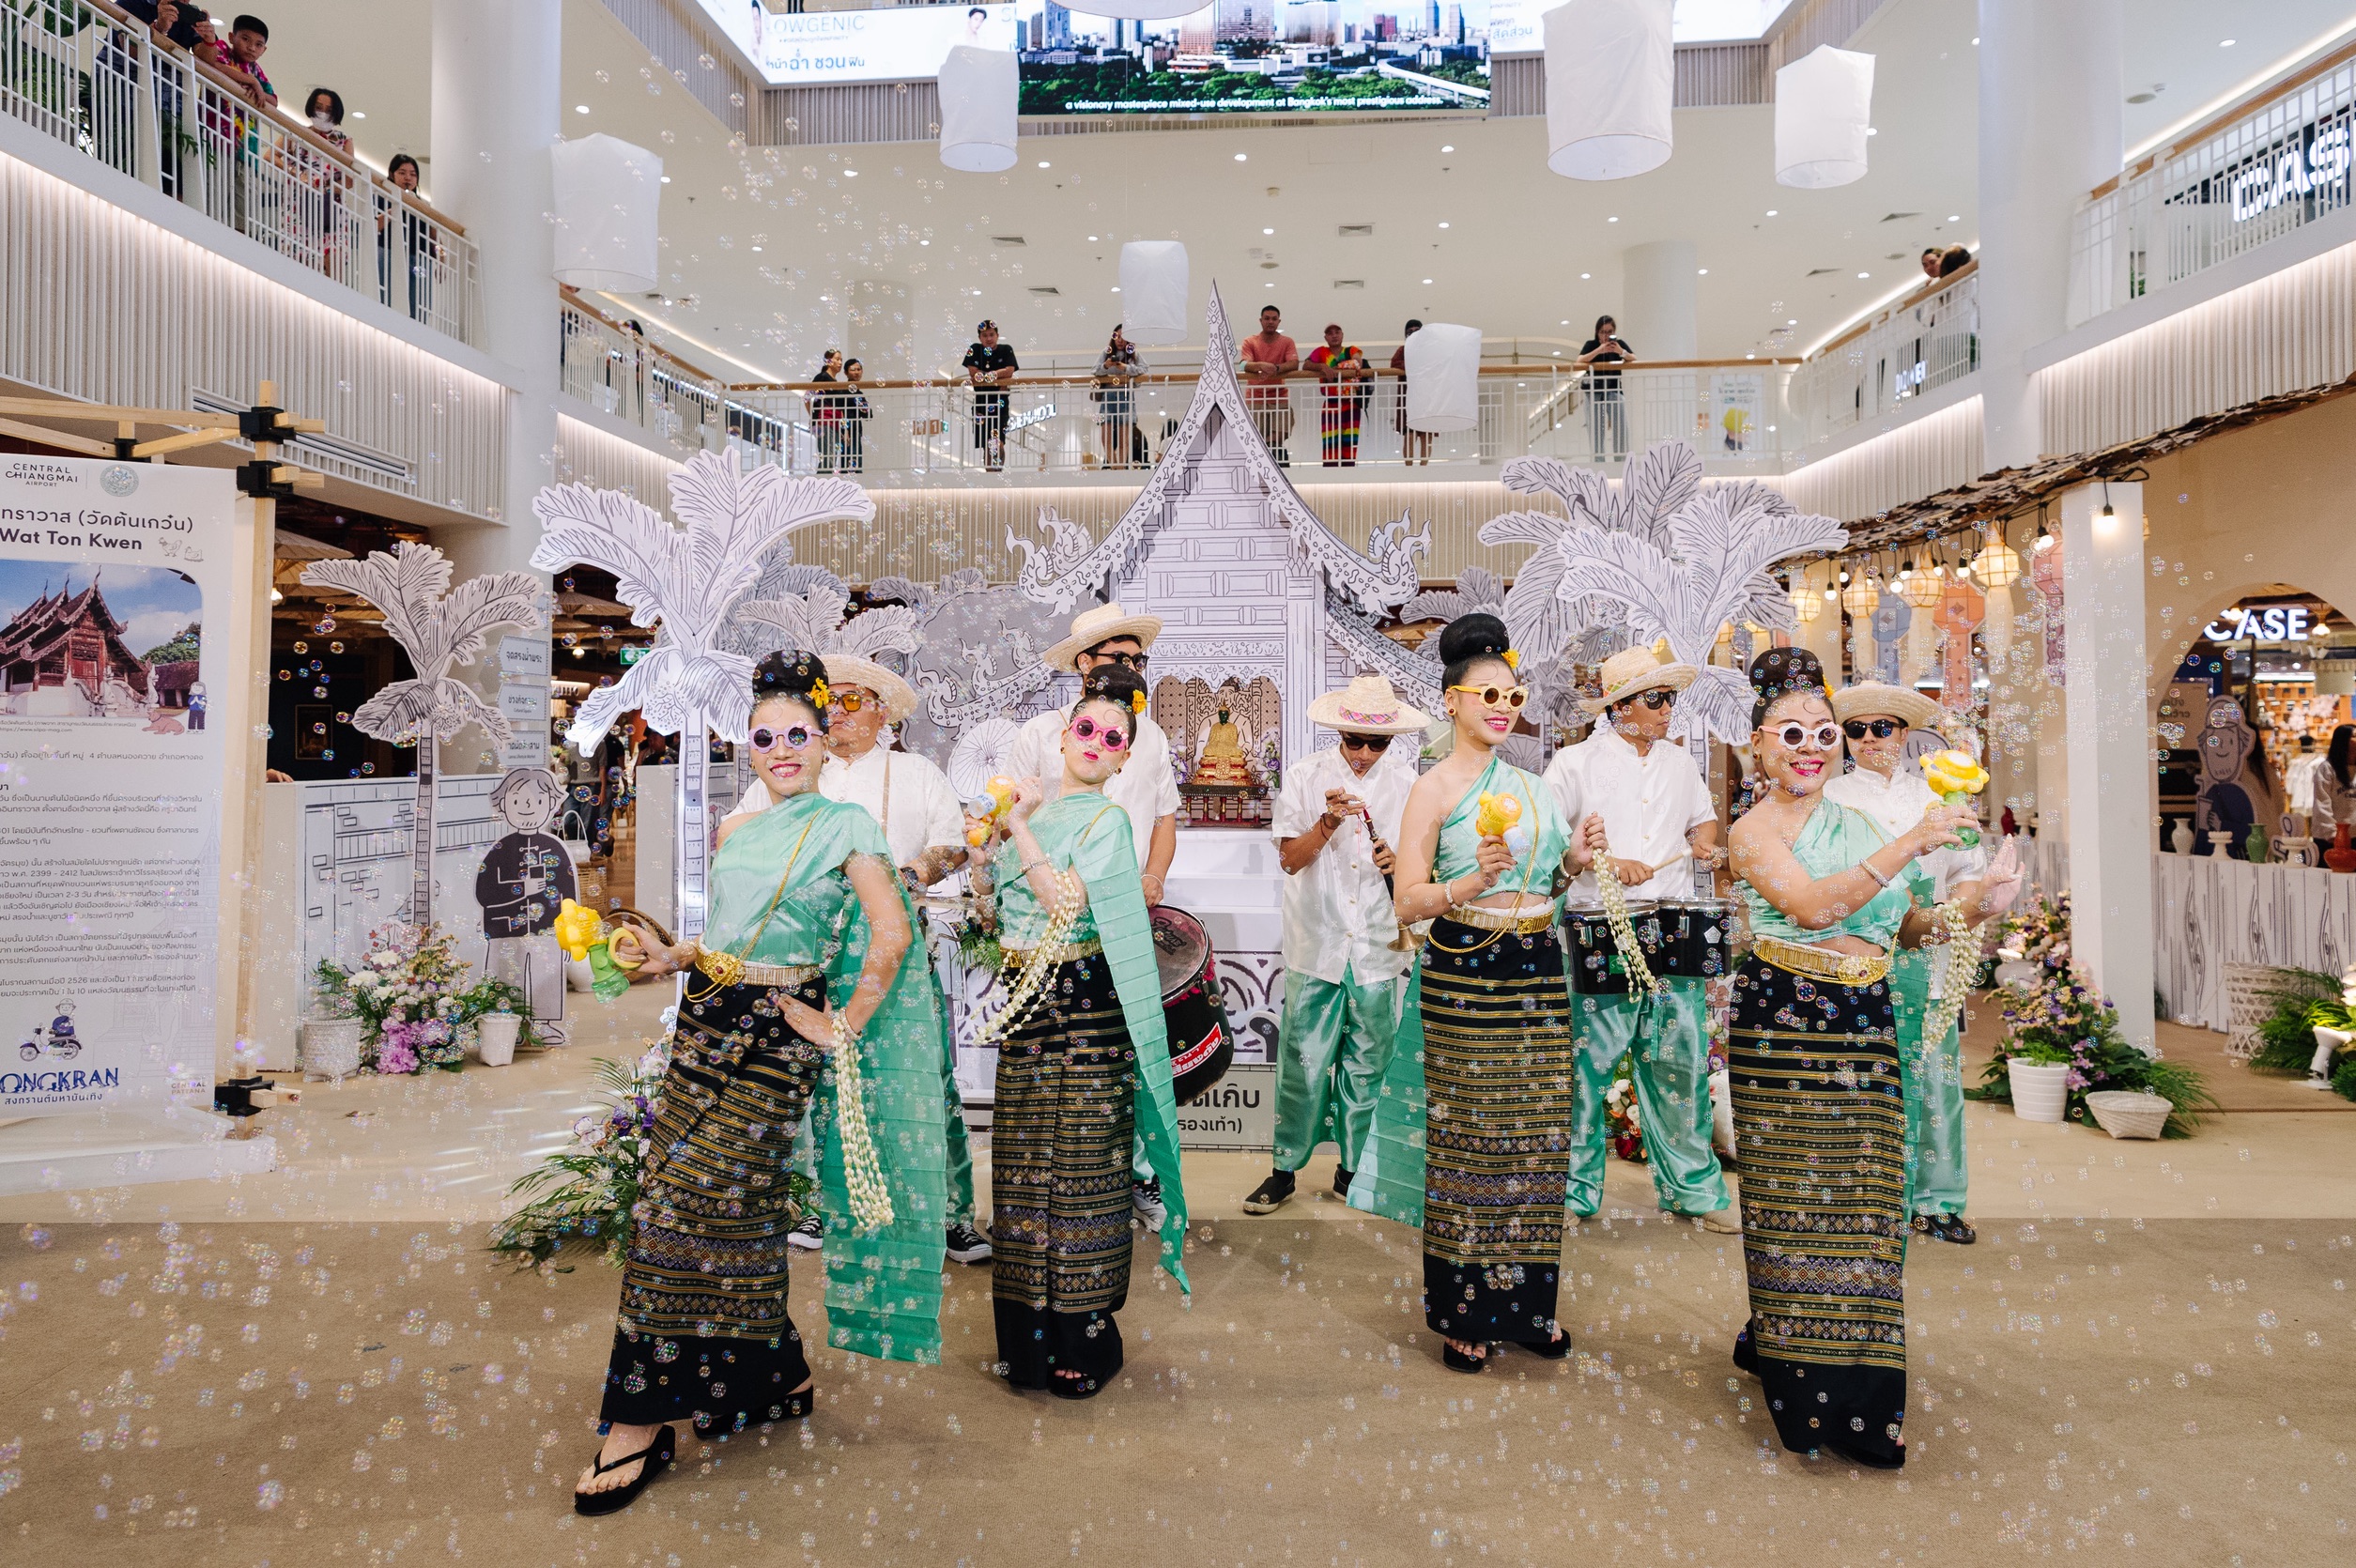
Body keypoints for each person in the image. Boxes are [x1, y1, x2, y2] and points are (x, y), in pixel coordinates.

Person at [575, 651, 947, 1514]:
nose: (781, 750)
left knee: (679, 1212)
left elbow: (890, 933)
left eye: (797, 735)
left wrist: (843, 1022)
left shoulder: (848, 827)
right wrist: (670, 955)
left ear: (824, 741)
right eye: (764, 738)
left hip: (776, 1037)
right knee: (723, 1210)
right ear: (748, 748)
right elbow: (726, 938)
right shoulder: (737, 830)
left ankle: (638, 1418)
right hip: (706, 1019)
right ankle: (771, 1376)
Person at [1724, 647, 1969, 1470]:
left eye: (1823, 733)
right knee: (1796, 1199)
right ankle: (1802, 1388)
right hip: (1786, 1017)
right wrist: (1910, 842)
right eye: (1791, 733)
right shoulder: (1752, 832)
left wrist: (1976, 905)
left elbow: (1906, 925)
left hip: (1863, 1015)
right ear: (1757, 745)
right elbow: (1809, 905)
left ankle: (1863, 1394)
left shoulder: (1859, 826)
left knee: (1864, 1203)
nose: (1811, 747)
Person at [1351, 614, 1579, 1375]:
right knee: (1471, 1141)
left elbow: (1547, 882)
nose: (1502, 707)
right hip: (1466, 969)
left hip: (1538, 965)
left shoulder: (1533, 786)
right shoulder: (1432, 788)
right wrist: (1471, 881)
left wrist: (1576, 862)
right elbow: (1407, 901)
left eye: (1512, 695)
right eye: (1486, 694)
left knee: (1536, 1139)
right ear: (1450, 702)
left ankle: (1528, 1307)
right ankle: (1466, 1311)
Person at [965, 664, 1191, 1399]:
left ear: (1124, 759)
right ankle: (1028, 1341)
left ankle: (1083, 1336)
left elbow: (1066, 902)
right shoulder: (1035, 815)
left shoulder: (1106, 820)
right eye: (1085, 729)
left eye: (1112, 738)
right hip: (1027, 1004)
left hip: (1087, 1006)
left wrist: (1016, 826)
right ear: (1063, 738)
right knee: (1025, 1170)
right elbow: (994, 920)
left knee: (1084, 1169)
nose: (1096, 742)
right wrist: (982, 859)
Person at [726, 653, 991, 1266]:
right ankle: (819, 1206)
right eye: (830, 700)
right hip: (809, 951)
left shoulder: (916, 771)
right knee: (815, 1078)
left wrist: (907, 875)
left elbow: (953, 846)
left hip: (893, 948)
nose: (838, 712)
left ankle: (948, 1215)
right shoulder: (791, 766)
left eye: (853, 700)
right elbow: (738, 836)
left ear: (883, 711)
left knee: (923, 1081)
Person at [1544, 647, 1737, 1233]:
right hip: (1599, 922)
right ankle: (1574, 1192)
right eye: (1656, 699)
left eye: (1670, 698)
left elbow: (1702, 818)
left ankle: (1693, 1191)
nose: (1668, 710)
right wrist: (1605, 860)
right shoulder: (1573, 764)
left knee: (1680, 1062)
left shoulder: (1679, 762)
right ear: (1620, 706)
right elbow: (1550, 846)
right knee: (1589, 1064)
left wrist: (1704, 841)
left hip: (1674, 923)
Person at [1824, 684, 2025, 1247]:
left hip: (1930, 955)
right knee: (1861, 1083)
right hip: (1854, 958)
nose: (1869, 739)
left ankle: (1938, 1201)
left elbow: (1967, 871)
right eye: (1856, 730)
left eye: (1882, 728)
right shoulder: (1830, 798)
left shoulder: (1938, 799)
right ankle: (1868, 1199)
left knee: (1937, 1082)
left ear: (1905, 734)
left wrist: (1966, 903)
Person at [1002, 603, 1182, 1226]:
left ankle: (1133, 1177)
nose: (1130, 667)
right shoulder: (1038, 731)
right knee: (1048, 1082)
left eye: (1137, 659)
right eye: (1116, 657)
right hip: (1051, 918)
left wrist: (1151, 877)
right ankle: (1038, 1203)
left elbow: (1164, 818)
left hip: (1119, 907)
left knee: (1121, 1051)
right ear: (1083, 663)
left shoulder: (1150, 735)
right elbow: (1014, 812)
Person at [1241, 674, 1428, 1215]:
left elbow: (1423, 873)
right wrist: (1326, 823)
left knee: (1370, 1063)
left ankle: (1354, 1171)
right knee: (1302, 1062)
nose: (1365, 753)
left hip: (1378, 947)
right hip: (1316, 942)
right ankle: (1283, 1171)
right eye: (1354, 740)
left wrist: (1400, 865)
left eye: (1378, 743)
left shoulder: (1410, 785)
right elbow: (1289, 859)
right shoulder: (1305, 777)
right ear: (1339, 734)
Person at [475, 767, 577, 1049]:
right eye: (517, 800)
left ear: (552, 804)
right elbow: (484, 892)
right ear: (502, 805)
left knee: (547, 975)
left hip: (548, 929)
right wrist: (520, 890)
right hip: (504, 928)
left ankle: (544, 1024)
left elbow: (568, 896)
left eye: (538, 800)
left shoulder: (555, 848)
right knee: (507, 976)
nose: (527, 807)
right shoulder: (499, 850)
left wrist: (570, 935)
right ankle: (510, 1025)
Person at [1305, 323, 1373, 467]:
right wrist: (1322, 366)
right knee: (1330, 442)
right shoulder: (1321, 352)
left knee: (1350, 441)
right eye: (1330, 333)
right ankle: (1331, 472)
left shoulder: (1351, 350)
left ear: (1342, 335)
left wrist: (1336, 369)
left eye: (1337, 332)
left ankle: (1348, 472)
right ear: (1325, 337)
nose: (1334, 335)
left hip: (1351, 402)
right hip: (1331, 402)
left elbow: (1357, 362)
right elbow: (1306, 365)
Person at [1239, 304, 1300, 463]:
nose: (1270, 322)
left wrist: (1275, 368)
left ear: (1279, 321)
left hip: (1280, 397)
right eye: (1267, 318)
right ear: (1261, 321)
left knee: (1276, 436)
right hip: (1255, 399)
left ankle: (1266, 453)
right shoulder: (1250, 341)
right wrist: (1261, 365)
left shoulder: (1287, 342)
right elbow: (1243, 364)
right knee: (1254, 438)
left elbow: (1294, 363)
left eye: (1274, 319)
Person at [1576, 315, 1635, 463]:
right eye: (1603, 332)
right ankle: (1598, 464)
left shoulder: (1619, 345)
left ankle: (1621, 462)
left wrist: (1621, 351)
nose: (1606, 336)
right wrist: (1599, 351)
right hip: (1593, 393)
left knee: (1620, 428)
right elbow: (1579, 360)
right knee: (1595, 431)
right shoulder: (1591, 344)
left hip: (1614, 390)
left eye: (1610, 332)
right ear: (1597, 332)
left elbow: (1633, 358)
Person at [962, 320, 1018, 471]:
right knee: (987, 444)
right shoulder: (974, 349)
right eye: (985, 335)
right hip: (981, 404)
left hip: (1000, 403)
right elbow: (973, 372)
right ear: (979, 337)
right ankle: (990, 475)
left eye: (992, 335)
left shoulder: (1006, 349)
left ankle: (998, 472)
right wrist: (998, 375)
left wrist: (991, 374)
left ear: (997, 335)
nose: (989, 338)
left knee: (998, 442)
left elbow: (1010, 370)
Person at [1093, 326, 1141, 469]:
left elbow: (1143, 369)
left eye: (1123, 337)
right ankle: (1115, 467)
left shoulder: (1134, 354)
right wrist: (1106, 366)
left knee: (1123, 439)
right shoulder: (1106, 352)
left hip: (1125, 396)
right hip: (1108, 396)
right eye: (1117, 336)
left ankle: (1119, 468)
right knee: (1105, 437)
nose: (1120, 340)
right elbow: (1094, 370)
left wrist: (1125, 367)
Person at [1390, 319, 1430, 466]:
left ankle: (1424, 467)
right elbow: (1394, 364)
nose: (1413, 334)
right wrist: (1414, 366)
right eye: (1410, 331)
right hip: (1408, 397)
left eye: (1416, 331)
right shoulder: (1403, 350)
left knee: (1426, 434)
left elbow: (1435, 364)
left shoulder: (1429, 350)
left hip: (1427, 396)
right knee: (1409, 433)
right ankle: (1409, 468)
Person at [222, 14, 276, 109]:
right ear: (231, 37)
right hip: (211, 115)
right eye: (245, 39)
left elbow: (274, 102)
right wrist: (252, 81)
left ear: (264, 50)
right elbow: (214, 64)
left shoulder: (255, 69)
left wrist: (258, 91)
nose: (251, 48)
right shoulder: (223, 49)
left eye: (259, 45)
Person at [809, 349, 845, 473]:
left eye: (841, 359)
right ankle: (821, 482)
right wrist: (814, 417)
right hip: (825, 421)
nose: (840, 362)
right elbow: (807, 396)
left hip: (835, 423)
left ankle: (822, 481)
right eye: (837, 359)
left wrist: (843, 429)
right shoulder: (822, 377)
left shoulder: (834, 381)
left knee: (831, 459)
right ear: (829, 361)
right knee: (828, 459)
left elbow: (840, 407)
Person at [837, 359, 872, 475]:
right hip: (847, 431)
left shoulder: (859, 394)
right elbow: (840, 411)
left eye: (859, 369)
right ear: (846, 373)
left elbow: (868, 415)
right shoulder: (842, 391)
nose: (856, 372)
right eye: (853, 370)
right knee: (849, 462)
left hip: (856, 431)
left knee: (856, 461)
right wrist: (845, 430)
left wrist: (864, 407)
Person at [303, 86, 350, 152]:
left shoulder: (345, 140)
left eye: (329, 110)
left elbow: (348, 159)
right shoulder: (298, 131)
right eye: (318, 107)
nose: (323, 113)